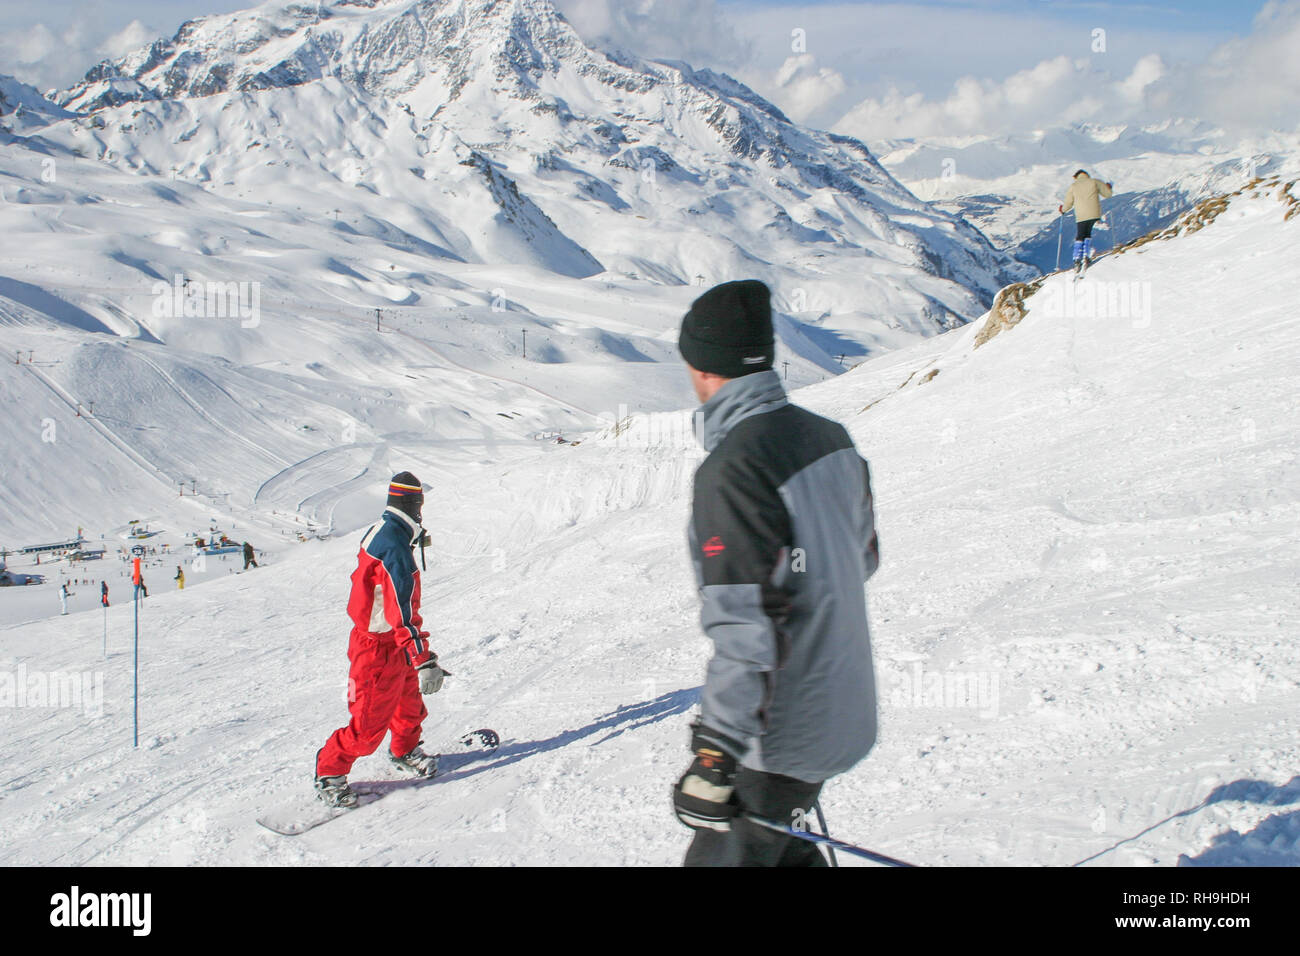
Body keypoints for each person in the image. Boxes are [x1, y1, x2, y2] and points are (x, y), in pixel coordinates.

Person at [671, 279, 881, 867]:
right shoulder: (831, 439)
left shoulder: (734, 469)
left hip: (781, 735)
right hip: (844, 712)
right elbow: (862, 558)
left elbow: (747, 626)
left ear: (701, 364)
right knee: (781, 851)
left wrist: (716, 752)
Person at [314, 472, 448, 808]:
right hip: (376, 649)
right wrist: (423, 659)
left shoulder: (389, 531)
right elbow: (400, 612)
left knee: (409, 707)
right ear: (415, 504)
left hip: (393, 644)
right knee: (367, 724)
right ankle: (329, 772)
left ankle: (404, 750)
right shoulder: (395, 546)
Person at [1059, 169, 1114, 270]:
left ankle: (1077, 258)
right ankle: (1086, 256)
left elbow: (1068, 203)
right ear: (1086, 175)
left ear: (1076, 177)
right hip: (1094, 213)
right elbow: (1108, 194)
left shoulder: (1074, 186)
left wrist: (1062, 210)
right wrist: (1109, 187)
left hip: (1081, 215)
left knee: (1080, 235)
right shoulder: (1095, 182)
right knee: (1087, 234)